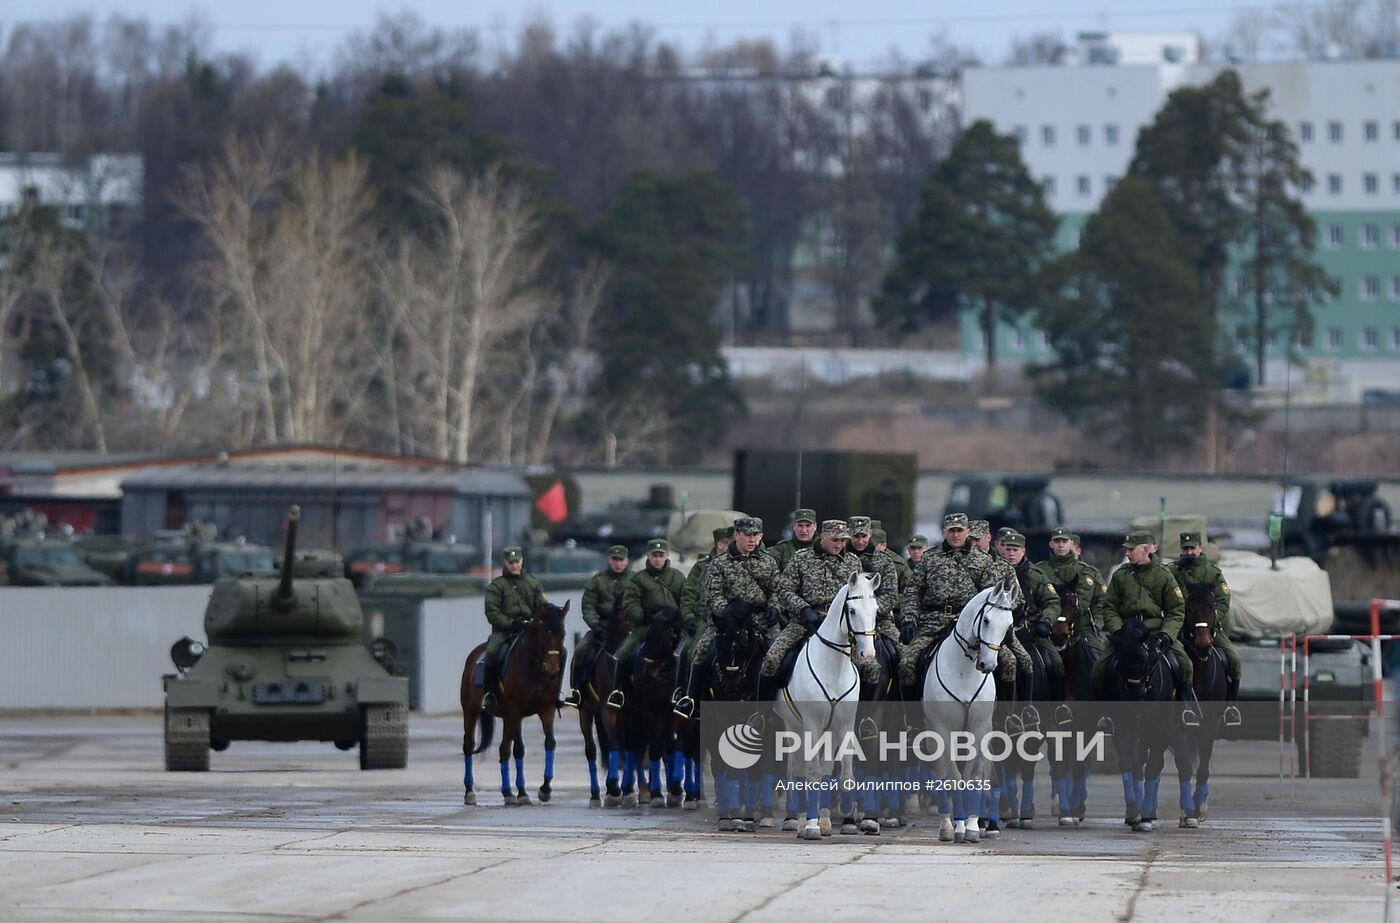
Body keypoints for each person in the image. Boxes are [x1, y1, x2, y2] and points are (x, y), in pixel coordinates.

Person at [673, 517, 779, 718]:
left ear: (761, 537)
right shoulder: (719, 563)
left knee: (777, 654)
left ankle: (776, 704)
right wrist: (726, 612)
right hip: (726, 621)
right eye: (747, 535)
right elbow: (713, 595)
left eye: (755, 535)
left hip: (760, 620)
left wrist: (774, 607)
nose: (751, 539)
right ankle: (691, 699)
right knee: (701, 651)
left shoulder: (768, 562)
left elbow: (776, 590)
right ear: (736, 536)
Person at [1092, 531, 1199, 727]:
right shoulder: (1120, 575)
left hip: (1155, 633)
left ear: (1147, 549)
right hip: (1126, 633)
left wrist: (1167, 634)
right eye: (1127, 550)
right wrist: (1117, 630)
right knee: (1100, 667)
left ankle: (1185, 709)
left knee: (1185, 665)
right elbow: (1109, 607)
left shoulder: (1163, 576)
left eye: (1132, 549)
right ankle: (1105, 714)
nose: (1128, 554)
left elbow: (1176, 610)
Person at [898, 513, 1000, 690]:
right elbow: (913, 591)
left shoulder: (983, 560)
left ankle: (1008, 713)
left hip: (970, 625)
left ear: (967, 531)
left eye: (959, 530)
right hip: (933, 622)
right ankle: (911, 715)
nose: (955, 535)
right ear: (944, 532)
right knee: (907, 663)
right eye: (951, 530)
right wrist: (909, 619)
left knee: (1009, 663)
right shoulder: (929, 558)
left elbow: (991, 597)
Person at [762, 519, 861, 680]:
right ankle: (764, 705)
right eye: (835, 540)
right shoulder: (801, 558)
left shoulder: (853, 562)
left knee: (871, 667)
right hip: (804, 622)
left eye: (843, 541)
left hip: (841, 626)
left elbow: (858, 596)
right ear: (822, 537)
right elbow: (784, 589)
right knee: (772, 659)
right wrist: (803, 609)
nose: (839, 545)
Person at [1167, 531, 1242, 727]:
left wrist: (1208, 622)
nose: (1190, 552)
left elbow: (1224, 603)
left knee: (1233, 658)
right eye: (1186, 549)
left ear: (1201, 548)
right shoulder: (1173, 571)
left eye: (1193, 548)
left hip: (1207, 629)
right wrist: (1175, 568)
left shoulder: (1213, 573)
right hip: (1179, 628)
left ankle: (1231, 707)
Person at [998, 530, 1064, 727]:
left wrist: (1046, 621)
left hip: (1031, 630)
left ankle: (1060, 707)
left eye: (1015, 550)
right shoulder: (993, 573)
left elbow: (1052, 601)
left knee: (1056, 661)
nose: (1011, 554)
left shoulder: (1036, 575)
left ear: (1023, 551)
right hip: (999, 632)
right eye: (1008, 549)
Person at [611, 538, 686, 709]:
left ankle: (684, 692)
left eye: (661, 555)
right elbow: (630, 604)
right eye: (654, 555)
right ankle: (619, 691)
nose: (658, 559)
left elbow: (686, 600)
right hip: (647, 626)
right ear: (648, 556)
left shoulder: (678, 577)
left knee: (687, 653)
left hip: (673, 626)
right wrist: (644, 617)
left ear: (667, 556)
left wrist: (682, 618)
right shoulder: (638, 579)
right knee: (622, 654)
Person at [563, 545, 630, 709]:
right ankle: (577, 691)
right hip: (603, 628)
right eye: (615, 560)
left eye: (621, 560)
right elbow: (588, 606)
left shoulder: (635, 581)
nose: (618, 563)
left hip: (629, 629)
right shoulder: (598, 580)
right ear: (609, 560)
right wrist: (595, 625)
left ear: (627, 561)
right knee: (580, 651)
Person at [482, 546, 546, 711]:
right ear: (505, 563)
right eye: (511, 563)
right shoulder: (496, 586)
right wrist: (512, 623)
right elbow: (492, 613)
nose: (514, 566)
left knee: (558, 652)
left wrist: (536, 621)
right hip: (505, 632)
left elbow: (543, 607)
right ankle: (490, 693)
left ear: (522, 561)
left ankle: (553, 692)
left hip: (530, 630)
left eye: (517, 562)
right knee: (491, 653)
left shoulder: (533, 584)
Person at [673, 527, 733, 704]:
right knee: (689, 650)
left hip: (728, 620)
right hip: (703, 620)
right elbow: (688, 595)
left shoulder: (736, 563)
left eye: (729, 543)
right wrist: (689, 617)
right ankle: (685, 693)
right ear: (716, 544)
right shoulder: (702, 566)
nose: (725, 547)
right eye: (722, 543)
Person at [846, 517, 900, 683]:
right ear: (849, 535)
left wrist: (871, 611)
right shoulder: (842, 559)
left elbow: (891, 594)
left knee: (902, 657)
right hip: (847, 619)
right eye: (856, 537)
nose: (860, 541)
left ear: (870, 534)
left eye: (864, 536)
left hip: (880, 620)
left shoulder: (883, 560)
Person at [770, 509, 817, 573]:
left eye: (808, 526)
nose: (804, 530)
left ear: (815, 526)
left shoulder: (823, 549)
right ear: (794, 526)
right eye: (800, 525)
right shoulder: (782, 549)